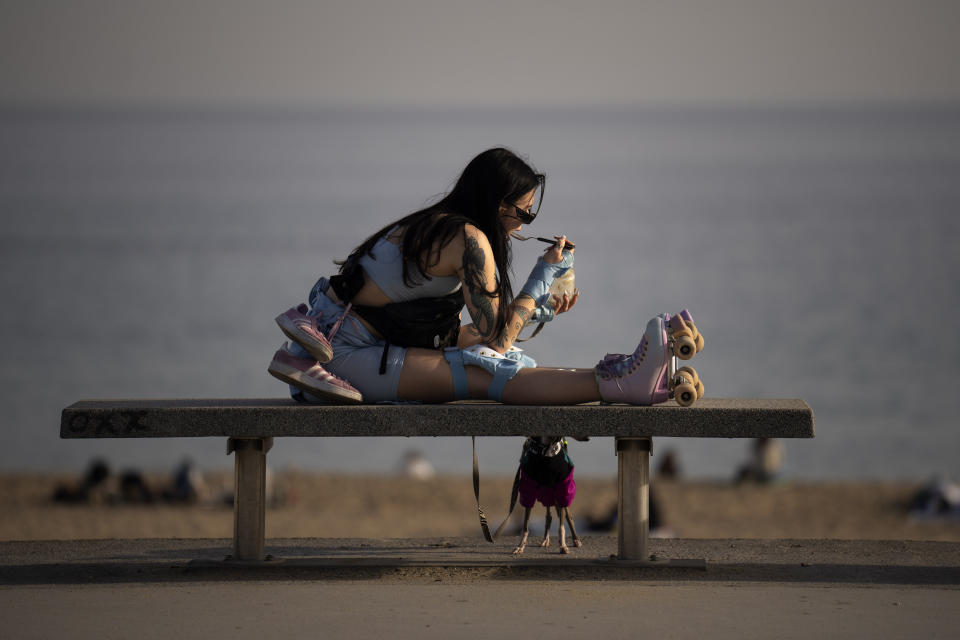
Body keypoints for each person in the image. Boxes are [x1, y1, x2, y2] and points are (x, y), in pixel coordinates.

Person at [268, 147, 699, 405]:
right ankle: (623, 382)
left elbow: (457, 335)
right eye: (524, 209)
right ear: (498, 202)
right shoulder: (467, 239)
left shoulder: (437, 224)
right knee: (488, 373)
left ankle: (629, 375)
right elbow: (496, 338)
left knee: (499, 362)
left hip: (345, 342)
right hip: (336, 360)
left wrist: (540, 311)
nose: (527, 221)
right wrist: (542, 278)